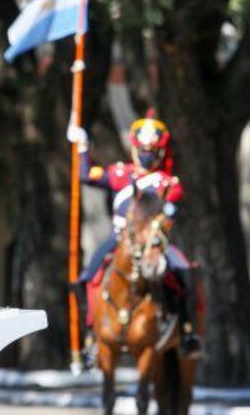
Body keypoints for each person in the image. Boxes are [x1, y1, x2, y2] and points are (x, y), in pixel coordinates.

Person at [67, 112, 201, 356]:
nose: (147, 155)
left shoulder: (169, 184)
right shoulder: (121, 175)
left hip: (154, 243)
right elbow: (85, 175)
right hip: (121, 241)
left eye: (152, 150)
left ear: (161, 152)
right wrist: (82, 146)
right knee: (88, 275)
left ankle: (187, 330)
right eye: (143, 149)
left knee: (184, 272)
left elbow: (170, 215)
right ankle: (90, 332)